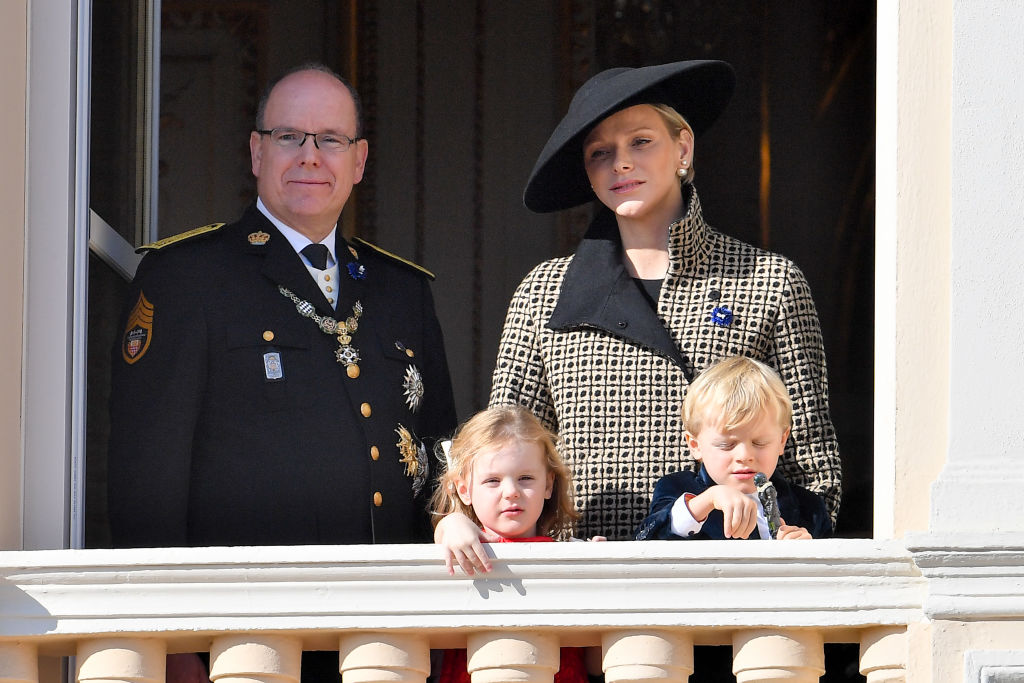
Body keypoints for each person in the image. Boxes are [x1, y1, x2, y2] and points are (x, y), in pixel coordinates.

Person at [470, 58, 840, 546]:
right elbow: (501, 452)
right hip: (582, 579)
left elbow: (813, 465)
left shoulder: (771, 282)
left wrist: (792, 550)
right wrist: (456, 522)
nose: (620, 162)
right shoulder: (543, 292)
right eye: (600, 152)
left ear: (682, 147)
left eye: (640, 141)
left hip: (727, 580)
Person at [107, 62, 457, 549]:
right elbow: (148, 480)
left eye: (331, 140)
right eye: (290, 136)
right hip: (249, 605)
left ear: (359, 161)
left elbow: (441, 449)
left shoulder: (403, 291)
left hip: (386, 599)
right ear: (257, 152)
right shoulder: (187, 276)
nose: (310, 157)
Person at [430, 405, 592, 683]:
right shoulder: (463, 541)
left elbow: (597, 662)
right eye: (492, 480)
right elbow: (447, 538)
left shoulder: (568, 553)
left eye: (525, 478)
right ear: (465, 489)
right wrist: (451, 523)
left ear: (548, 484)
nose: (511, 492)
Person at [635, 356, 832, 541]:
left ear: (782, 441)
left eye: (760, 443)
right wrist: (706, 502)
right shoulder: (677, 489)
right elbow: (647, 540)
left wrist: (809, 552)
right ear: (695, 445)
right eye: (726, 445)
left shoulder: (808, 507)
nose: (745, 455)